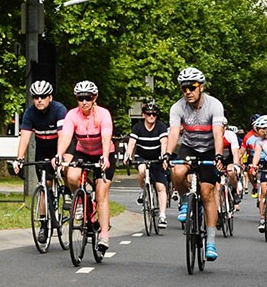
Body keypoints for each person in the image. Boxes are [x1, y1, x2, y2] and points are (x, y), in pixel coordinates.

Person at [163, 67, 226, 261]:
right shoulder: (177, 107)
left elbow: (217, 133)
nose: (188, 91)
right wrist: (167, 153)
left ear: (201, 87)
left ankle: (211, 242)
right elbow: (174, 133)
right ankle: (184, 201)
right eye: (184, 88)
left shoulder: (214, 105)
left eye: (192, 87)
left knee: (207, 193)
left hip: (208, 148)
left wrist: (217, 156)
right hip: (189, 147)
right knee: (177, 171)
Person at [55, 81, 113, 255]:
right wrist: (59, 154)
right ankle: (81, 201)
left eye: (88, 98)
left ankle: (103, 235)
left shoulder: (103, 114)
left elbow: (106, 136)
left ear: (94, 98)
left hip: (103, 153)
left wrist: (105, 156)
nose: (84, 102)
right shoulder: (72, 115)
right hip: (84, 152)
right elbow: (65, 137)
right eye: (81, 98)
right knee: (71, 175)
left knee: (101, 193)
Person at [12, 80, 67, 242]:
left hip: (60, 146)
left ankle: (68, 194)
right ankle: (43, 224)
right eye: (36, 97)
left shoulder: (59, 110)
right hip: (42, 150)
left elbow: (63, 136)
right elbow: (25, 137)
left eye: (43, 96)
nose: (39, 100)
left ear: (50, 97)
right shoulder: (30, 113)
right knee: (44, 187)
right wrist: (19, 159)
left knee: (66, 168)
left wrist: (59, 156)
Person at [123, 100, 169, 228]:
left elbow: (164, 143)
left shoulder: (161, 126)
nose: (151, 117)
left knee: (161, 187)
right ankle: (143, 189)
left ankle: (162, 216)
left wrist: (164, 157)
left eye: (154, 114)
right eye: (148, 114)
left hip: (157, 157)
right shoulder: (137, 127)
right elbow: (132, 143)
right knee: (142, 170)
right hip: (142, 156)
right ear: (143, 115)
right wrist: (127, 155)